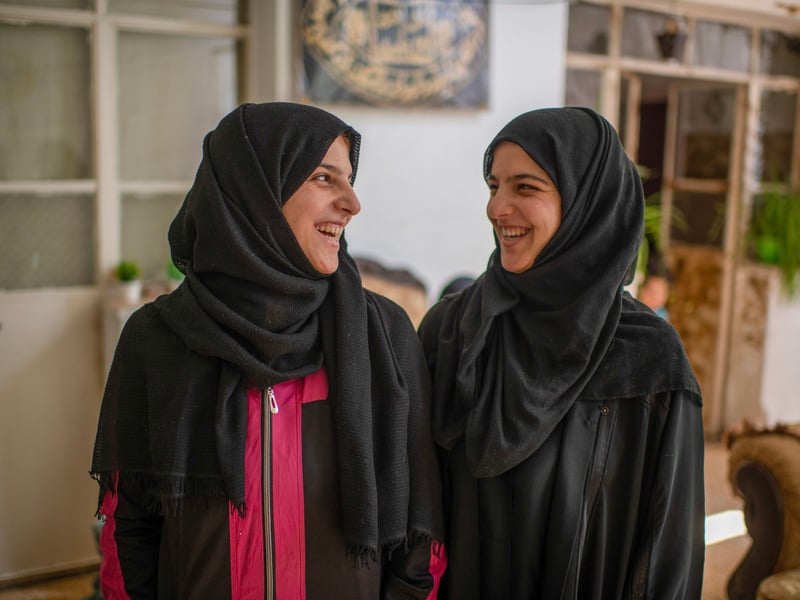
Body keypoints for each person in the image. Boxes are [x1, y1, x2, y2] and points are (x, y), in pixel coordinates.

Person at [90, 102, 445, 599]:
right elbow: (129, 529)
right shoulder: (158, 340)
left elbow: (418, 529)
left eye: (349, 179)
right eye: (325, 178)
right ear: (253, 191)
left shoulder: (380, 335)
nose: (352, 203)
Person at [418, 107, 704, 599]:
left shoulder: (649, 357)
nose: (496, 208)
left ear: (585, 204)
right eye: (493, 186)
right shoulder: (453, 330)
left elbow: (667, 550)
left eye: (524, 188)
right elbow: (416, 504)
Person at [637, 253, 672, 320]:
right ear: (641, 289)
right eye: (651, 291)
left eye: (660, 293)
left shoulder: (662, 318)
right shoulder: (630, 306)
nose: (654, 297)